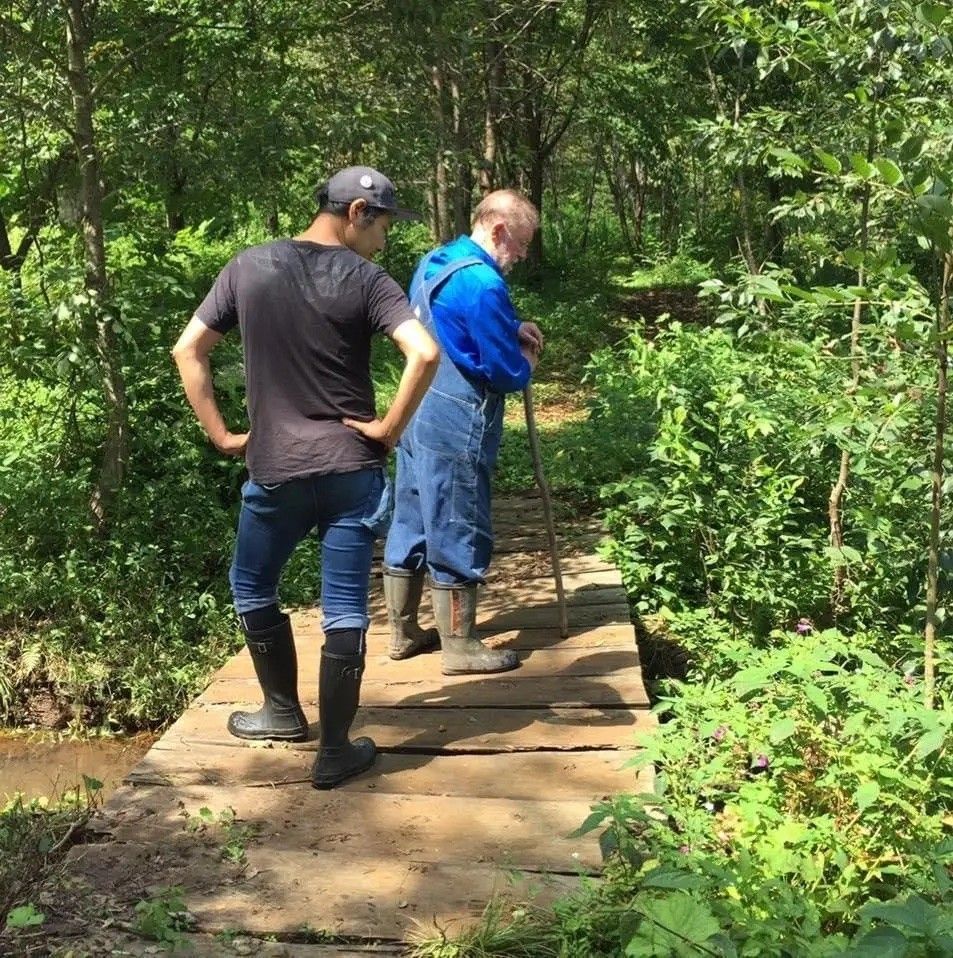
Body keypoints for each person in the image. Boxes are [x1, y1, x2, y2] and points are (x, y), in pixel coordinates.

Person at [172, 167, 439, 789]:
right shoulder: (368, 280)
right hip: (351, 467)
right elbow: (423, 353)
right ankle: (336, 751)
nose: (385, 240)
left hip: (277, 469)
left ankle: (282, 712)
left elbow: (189, 350)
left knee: (252, 584)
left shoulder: (249, 267)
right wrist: (389, 429)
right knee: (344, 608)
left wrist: (221, 434)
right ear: (356, 212)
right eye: (384, 225)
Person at [382, 189, 543, 675]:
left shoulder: (435, 261)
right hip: (457, 419)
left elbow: (451, 324)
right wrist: (526, 360)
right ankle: (460, 646)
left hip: (416, 408)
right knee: (457, 517)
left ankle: (402, 631)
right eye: (518, 245)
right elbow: (504, 371)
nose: (519, 257)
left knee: (410, 515)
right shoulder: (484, 284)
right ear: (497, 230)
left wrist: (511, 327)